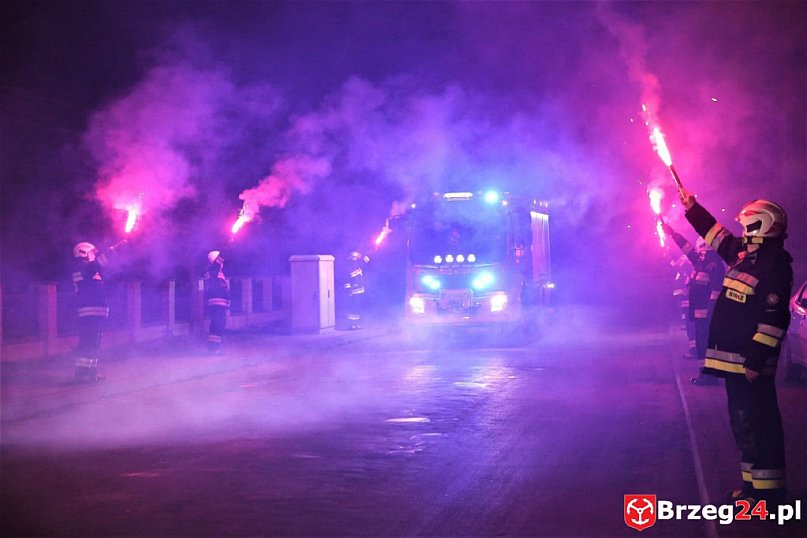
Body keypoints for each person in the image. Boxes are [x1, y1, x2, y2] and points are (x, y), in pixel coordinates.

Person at [680, 190, 792, 507]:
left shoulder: (773, 265)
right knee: (744, 426)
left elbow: (774, 318)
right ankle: (752, 488)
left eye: (746, 225)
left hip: (750, 366)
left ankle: (768, 496)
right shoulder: (747, 256)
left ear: (761, 225)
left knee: (759, 425)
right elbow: (717, 235)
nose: (742, 231)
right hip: (737, 366)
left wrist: (756, 359)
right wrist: (692, 208)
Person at [662, 223, 726, 385]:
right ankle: (704, 374)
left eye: (703, 250)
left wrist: (711, 313)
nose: (699, 252)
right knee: (701, 344)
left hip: (707, 315)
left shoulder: (715, 265)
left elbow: (716, 291)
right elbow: (687, 248)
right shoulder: (701, 261)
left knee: (707, 345)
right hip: (700, 314)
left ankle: (710, 377)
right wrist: (672, 233)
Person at [71, 242, 109, 383]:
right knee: (89, 342)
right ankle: (82, 374)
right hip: (90, 312)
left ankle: (91, 373)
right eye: (93, 252)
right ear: (85, 253)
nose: (95, 255)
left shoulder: (88, 268)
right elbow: (96, 265)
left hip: (94, 312)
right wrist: (111, 252)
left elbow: (99, 266)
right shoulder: (81, 268)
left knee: (93, 342)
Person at [203, 250, 230, 353]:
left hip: (219, 302)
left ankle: (215, 347)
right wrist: (229, 244)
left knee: (218, 323)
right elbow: (220, 259)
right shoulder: (213, 269)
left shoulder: (215, 272)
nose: (222, 263)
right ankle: (214, 348)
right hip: (217, 302)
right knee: (217, 324)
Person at [342, 250, 369, 329]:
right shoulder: (348, 267)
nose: (355, 258)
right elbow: (346, 280)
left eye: (356, 257)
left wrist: (367, 254)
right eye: (353, 257)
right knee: (352, 309)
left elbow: (366, 262)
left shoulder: (359, 265)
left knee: (358, 308)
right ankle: (351, 324)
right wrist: (348, 290)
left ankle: (357, 324)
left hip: (360, 290)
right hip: (353, 292)